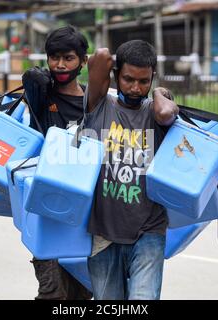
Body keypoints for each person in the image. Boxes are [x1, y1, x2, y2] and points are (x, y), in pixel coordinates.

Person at [84, 40, 179, 300]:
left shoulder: (156, 111)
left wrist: (158, 91)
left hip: (149, 230)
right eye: (128, 79)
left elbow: (167, 113)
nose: (136, 88)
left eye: (143, 81)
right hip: (104, 233)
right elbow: (101, 56)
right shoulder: (99, 106)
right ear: (116, 76)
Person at [21, 25, 92, 300]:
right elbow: (31, 80)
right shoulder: (42, 94)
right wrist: (33, 78)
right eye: (54, 57)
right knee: (52, 293)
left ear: (83, 62)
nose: (60, 64)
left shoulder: (93, 101)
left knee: (81, 295)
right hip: (45, 209)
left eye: (68, 58)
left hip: (84, 214)